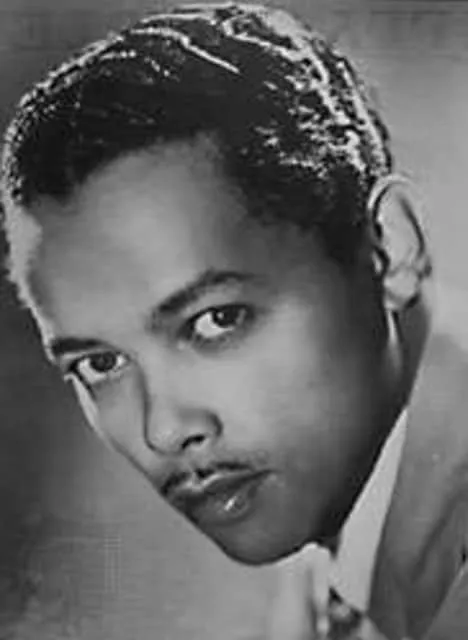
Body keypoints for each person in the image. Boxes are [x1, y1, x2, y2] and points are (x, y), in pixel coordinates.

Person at [2, 3, 463, 639]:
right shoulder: (345, 529)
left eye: (217, 321)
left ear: (390, 247)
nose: (164, 430)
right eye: (101, 363)